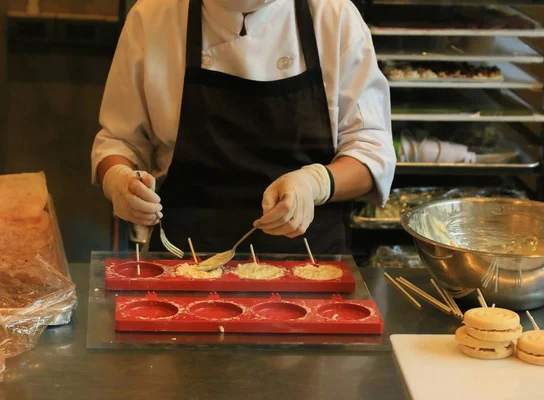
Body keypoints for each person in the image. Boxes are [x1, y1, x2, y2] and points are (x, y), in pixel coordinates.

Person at [92, 0, 396, 254]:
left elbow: (371, 153)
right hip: (185, 261)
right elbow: (120, 141)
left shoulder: (333, 16)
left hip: (311, 264)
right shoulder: (155, 17)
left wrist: (316, 183)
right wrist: (120, 180)